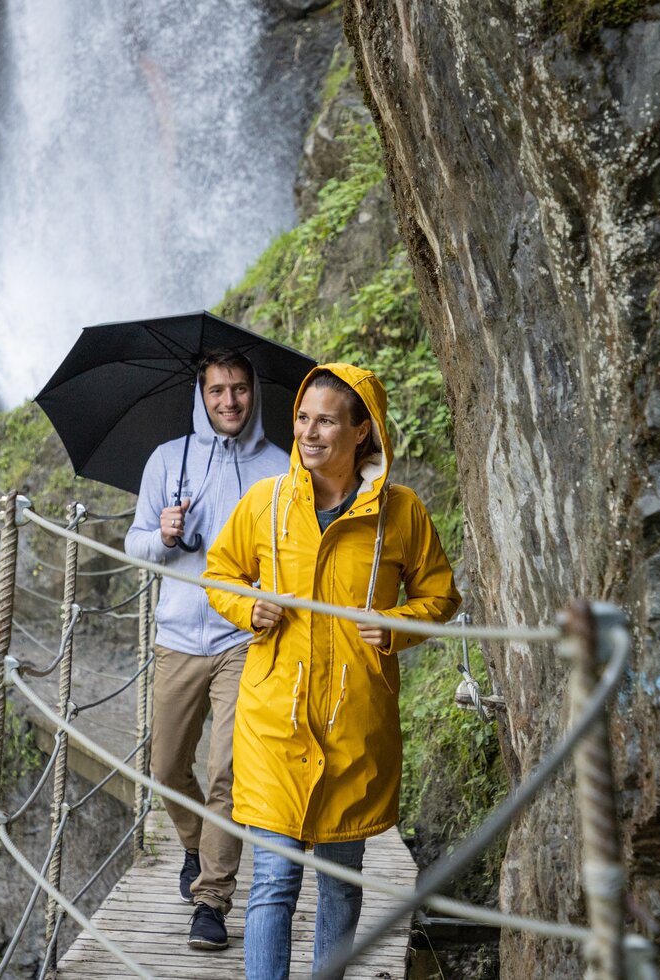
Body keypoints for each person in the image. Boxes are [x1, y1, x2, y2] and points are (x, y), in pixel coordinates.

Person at [204, 363, 461, 979]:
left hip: (355, 725)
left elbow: (441, 596)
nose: (308, 433)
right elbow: (219, 573)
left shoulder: (401, 514)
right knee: (273, 879)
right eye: (301, 418)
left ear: (363, 432)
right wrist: (248, 605)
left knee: (342, 884)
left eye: (325, 421)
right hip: (275, 721)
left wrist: (396, 625)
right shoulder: (266, 503)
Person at [124, 349, 289, 951]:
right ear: (202, 393)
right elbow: (134, 545)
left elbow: (292, 554)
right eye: (217, 390)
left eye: (239, 390)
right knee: (166, 768)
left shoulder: (279, 469)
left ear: (254, 394)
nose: (229, 402)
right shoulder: (169, 460)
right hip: (177, 635)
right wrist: (161, 536)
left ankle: (213, 900)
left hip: (245, 639)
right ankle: (195, 844)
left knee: (229, 770)